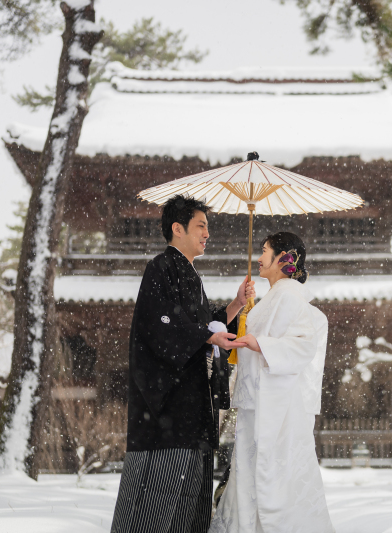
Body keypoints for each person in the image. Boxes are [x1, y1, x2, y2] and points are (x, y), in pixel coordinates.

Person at [111, 195, 255, 533]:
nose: (208, 234)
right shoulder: (160, 268)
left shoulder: (191, 276)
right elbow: (160, 326)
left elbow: (208, 326)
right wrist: (207, 336)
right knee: (158, 499)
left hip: (191, 406)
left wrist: (236, 304)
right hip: (167, 410)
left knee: (190, 500)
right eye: (201, 226)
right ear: (178, 228)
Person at [210, 232, 334, 533]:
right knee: (257, 474)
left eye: (265, 251)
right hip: (261, 403)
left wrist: (260, 344)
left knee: (270, 477)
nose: (259, 257)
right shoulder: (276, 297)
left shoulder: (289, 296)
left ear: (284, 258)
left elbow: (303, 344)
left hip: (274, 408)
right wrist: (245, 308)